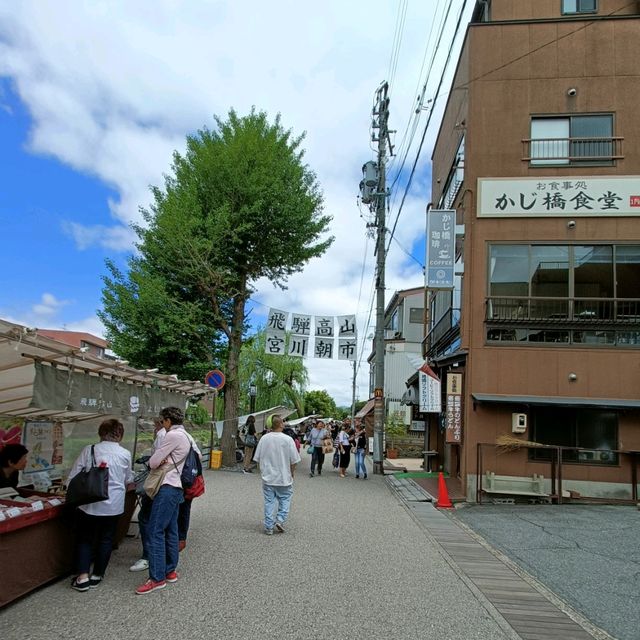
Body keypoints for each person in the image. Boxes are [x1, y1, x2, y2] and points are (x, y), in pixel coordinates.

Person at [68, 419, 134, 592]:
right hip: (114, 504)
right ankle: (98, 574)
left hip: (89, 503)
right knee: (106, 538)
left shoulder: (90, 450)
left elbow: (74, 476)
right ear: (120, 434)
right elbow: (128, 479)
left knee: (85, 538)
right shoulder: (125, 454)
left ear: (100, 432)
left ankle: (82, 578)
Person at [135, 406, 190, 595]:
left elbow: (153, 462)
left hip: (166, 487)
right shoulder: (186, 436)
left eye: (162, 421)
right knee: (171, 530)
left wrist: (159, 459)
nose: (162, 425)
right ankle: (170, 570)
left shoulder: (172, 435)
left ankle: (157, 577)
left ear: (167, 420)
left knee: (155, 530)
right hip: (176, 487)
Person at [253, 414, 301, 535]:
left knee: (269, 501)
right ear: (280, 424)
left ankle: (269, 526)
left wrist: (263, 471)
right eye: (283, 422)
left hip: (268, 477)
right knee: (285, 499)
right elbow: (294, 460)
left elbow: (257, 458)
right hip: (284, 477)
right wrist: (292, 473)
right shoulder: (288, 439)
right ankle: (280, 519)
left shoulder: (264, 438)